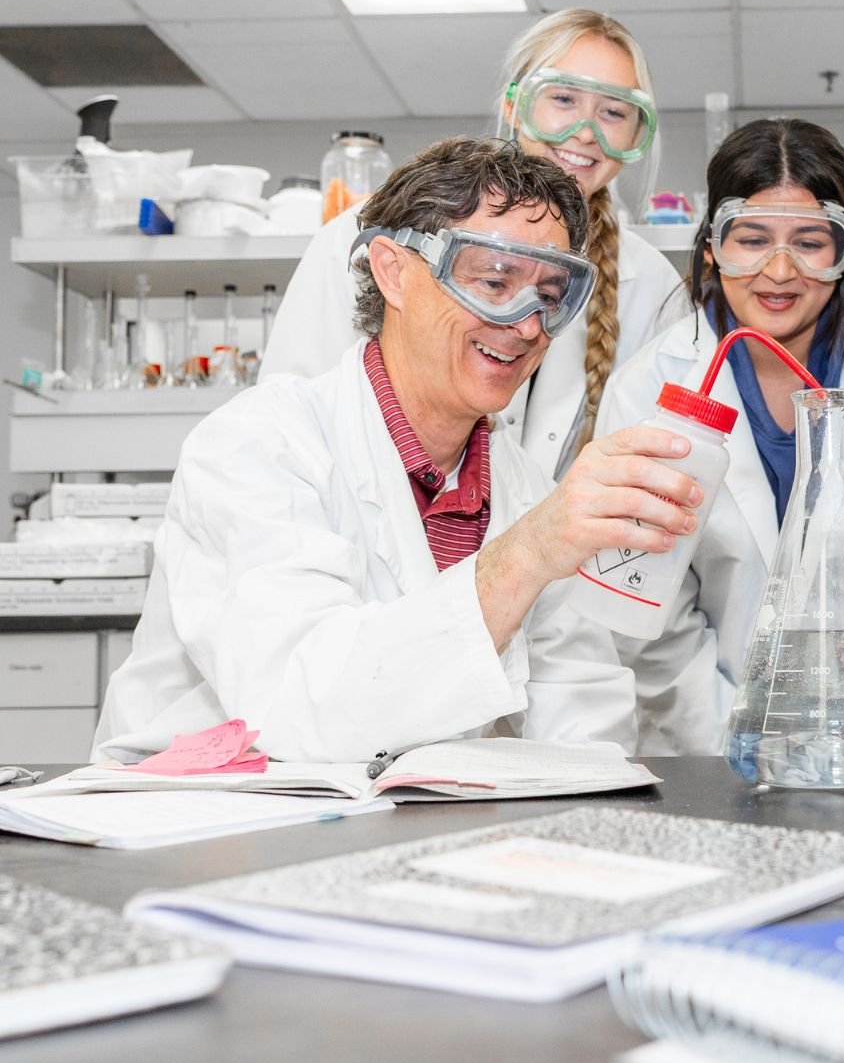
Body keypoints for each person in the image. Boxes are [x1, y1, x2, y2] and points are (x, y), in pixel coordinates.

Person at [94, 138, 705, 763]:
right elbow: (302, 709)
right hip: (202, 822)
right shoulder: (258, 446)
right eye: (495, 280)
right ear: (393, 270)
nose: (527, 325)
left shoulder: (522, 487)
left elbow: (582, 710)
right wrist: (528, 552)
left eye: (550, 297)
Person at [596, 118, 844, 757]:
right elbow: (655, 613)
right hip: (709, 737)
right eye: (753, 239)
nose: (780, 270)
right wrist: (738, 740)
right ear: (712, 246)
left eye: (811, 242)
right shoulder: (646, 388)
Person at [261, 9, 681, 476]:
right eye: (563, 99)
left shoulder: (652, 283)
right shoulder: (370, 232)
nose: (585, 132)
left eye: (613, 113)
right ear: (513, 105)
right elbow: (287, 422)